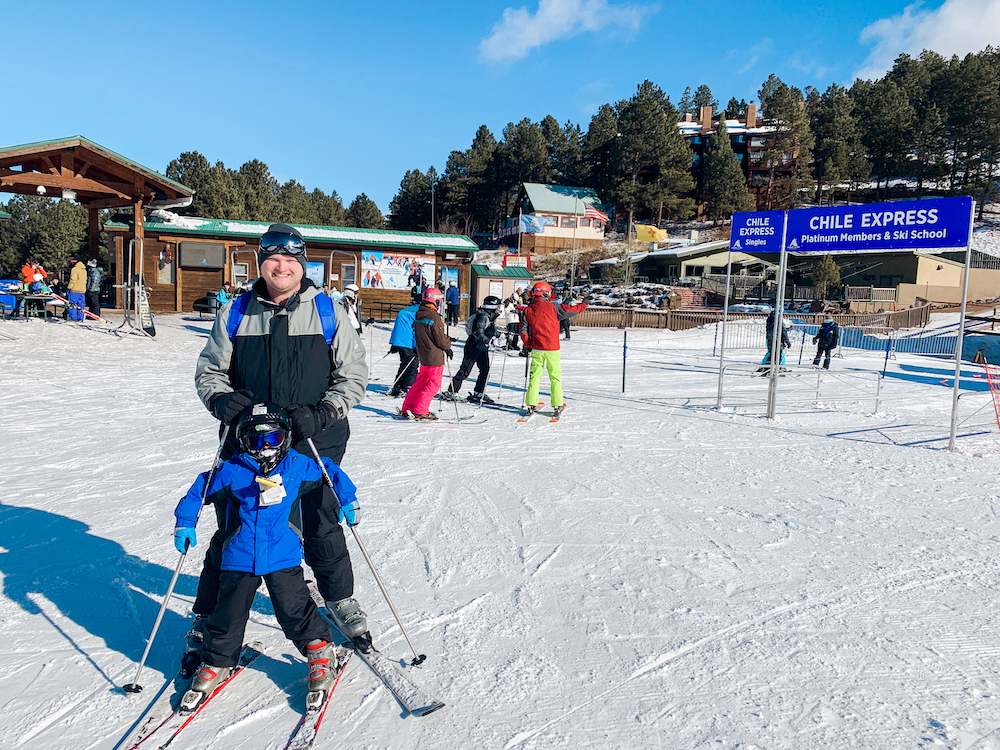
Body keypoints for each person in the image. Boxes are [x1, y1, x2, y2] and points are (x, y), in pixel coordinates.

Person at [191, 222, 370, 668]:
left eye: (291, 259)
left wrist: (324, 412)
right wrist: (221, 401)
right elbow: (209, 372)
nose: (282, 267)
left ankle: (339, 599)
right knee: (236, 528)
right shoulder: (236, 312)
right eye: (274, 258)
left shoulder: (327, 311)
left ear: (302, 264)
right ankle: (211, 613)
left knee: (321, 522)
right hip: (248, 443)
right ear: (261, 262)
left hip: (315, 438)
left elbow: (353, 375)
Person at [173, 403, 358, 704]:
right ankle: (217, 660)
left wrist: (347, 499)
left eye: (272, 438)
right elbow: (200, 490)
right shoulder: (233, 470)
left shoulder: (296, 465)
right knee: (228, 612)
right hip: (239, 556)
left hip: (282, 555)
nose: (264, 448)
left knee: (293, 608)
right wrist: (185, 522)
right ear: (242, 441)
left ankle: (319, 649)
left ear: (285, 438)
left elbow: (330, 470)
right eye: (255, 440)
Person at [520, 281, 587, 419]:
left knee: (534, 377)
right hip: (552, 348)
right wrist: (584, 304)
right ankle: (557, 404)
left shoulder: (527, 310)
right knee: (555, 377)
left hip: (537, 348)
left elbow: (523, 331)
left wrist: (528, 344)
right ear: (545, 293)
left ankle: (531, 404)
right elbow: (571, 310)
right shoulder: (553, 307)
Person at [400, 287, 452, 420]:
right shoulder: (434, 316)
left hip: (424, 355)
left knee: (420, 383)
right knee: (432, 384)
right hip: (434, 357)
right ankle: (421, 410)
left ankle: (408, 407)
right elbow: (439, 339)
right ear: (436, 301)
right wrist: (448, 345)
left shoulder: (419, 313)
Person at [442, 295, 501, 404]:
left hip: (482, 347)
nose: (499, 308)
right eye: (497, 306)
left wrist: (500, 335)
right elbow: (479, 332)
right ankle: (452, 391)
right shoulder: (482, 316)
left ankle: (479, 392)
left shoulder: (490, 316)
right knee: (465, 369)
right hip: (473, 345)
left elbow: (490, 330)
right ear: (492, 306)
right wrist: (489, 341)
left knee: (485, 370)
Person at [387, 287, 421, 397]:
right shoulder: (418, 312)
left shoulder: (405, 310)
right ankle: (408, 387)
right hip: (407, 342)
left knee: (405, 363)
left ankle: (398, 386)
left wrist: (394, 344)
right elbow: (417, 330)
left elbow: (398, 327)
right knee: (412, 364)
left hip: (398, 341)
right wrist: (417, 346)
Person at [758, 309, 791, 374]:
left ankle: (765, 368)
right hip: (777, 340)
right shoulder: (778, 321)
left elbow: (776, 329)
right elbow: (783, 331)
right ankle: (778, 368)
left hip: (770, 339)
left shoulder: (770, 319)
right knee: (778, 355)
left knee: (771, 354)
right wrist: (787, 341)